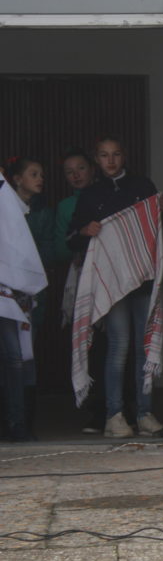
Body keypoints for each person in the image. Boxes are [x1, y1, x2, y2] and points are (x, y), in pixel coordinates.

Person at [68, 138, 163, 438]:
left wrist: (162, 212)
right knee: (118, 347)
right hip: (113, 284)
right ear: (96, 159)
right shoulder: (91, 195)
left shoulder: (143, 186)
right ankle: (114, 416)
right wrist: (86, 231)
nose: (111, 161)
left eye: (115, 154)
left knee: (143, 347)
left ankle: (144, 413)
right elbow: (71, 239)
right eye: (104, 155)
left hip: (143, 280)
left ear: (123, 156)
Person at [54, 148, 106, 434]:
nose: (76, 175)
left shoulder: (105, 195)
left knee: (113, 343)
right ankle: (95, 408)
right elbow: (60, 248)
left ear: (92, 169)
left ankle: (118, 407)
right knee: (90, 343)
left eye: (81, 169)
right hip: (81, 277)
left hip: (109, 277)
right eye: (69, 172)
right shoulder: (65, 206)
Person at [8, 156, 56, 440]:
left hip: (32, 295)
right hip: (6, 294)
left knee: (26, 357)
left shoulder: (42, 213)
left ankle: (25, 423)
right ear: (17, 179)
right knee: (11, 358)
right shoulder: (6, 209)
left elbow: (48, 253)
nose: (40, 179)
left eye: (42, 175)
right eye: (33, 174)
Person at [0, 172, 48, 441]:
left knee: (15, 359)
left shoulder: (3, 192)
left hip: (5, 290)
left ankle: (17, 424)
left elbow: (14, 235)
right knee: (14, 359)